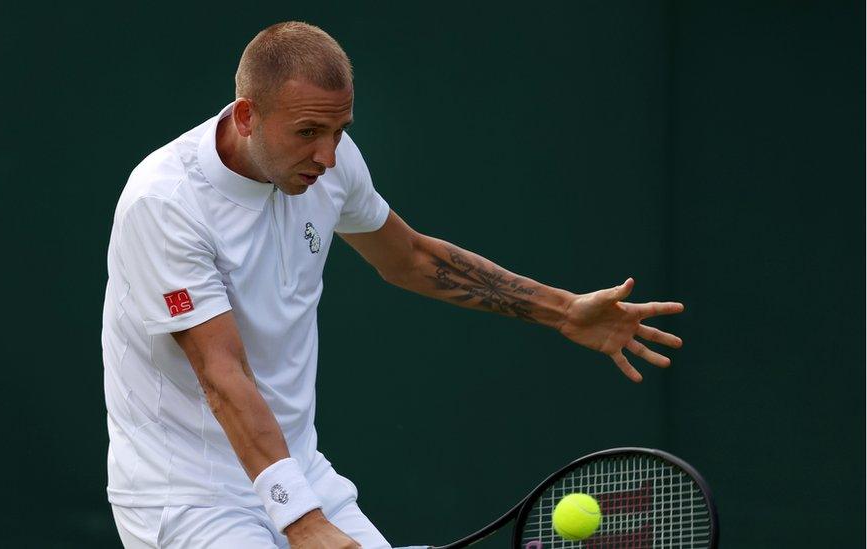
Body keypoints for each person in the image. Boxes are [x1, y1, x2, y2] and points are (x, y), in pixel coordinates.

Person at [101, 21, 684, 549]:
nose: (328, 155)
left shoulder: (328, 160)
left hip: (298, 467)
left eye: (339, 129)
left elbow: (408, 257)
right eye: (308, 131)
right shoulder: (166, 203)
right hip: (187, 495)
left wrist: (561, 310)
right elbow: (222, 376)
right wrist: (303, 524)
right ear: (248, 115)